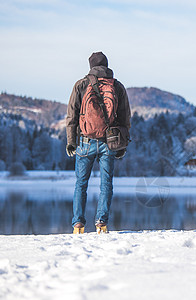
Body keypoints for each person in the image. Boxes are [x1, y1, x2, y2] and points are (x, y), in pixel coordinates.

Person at [65, 52, 131, 234]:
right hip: (109, 142)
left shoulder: (81, 84)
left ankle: (78, 225)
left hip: (84, 142)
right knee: (106, 183)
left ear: (90, 66)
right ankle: (101, 223)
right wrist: (122, 144)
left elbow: (72, 115)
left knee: (81, 184)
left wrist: (71, 141)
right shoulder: (117, 86)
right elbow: (125, 117)